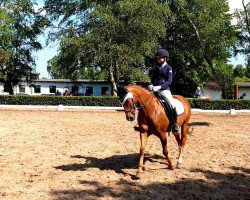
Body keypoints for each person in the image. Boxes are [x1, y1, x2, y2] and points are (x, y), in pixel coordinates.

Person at [148, 49, 179, 132]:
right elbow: (153, 79)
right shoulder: (156, 68)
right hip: (155, 90)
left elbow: (169, 81)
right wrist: (151, 84)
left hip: (164, 90)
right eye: (157, 58)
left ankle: (175, 124)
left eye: (159, 58)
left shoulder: (169, 68)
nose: (158, 59)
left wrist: (160, 87)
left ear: (165, 58)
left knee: (171, 104)